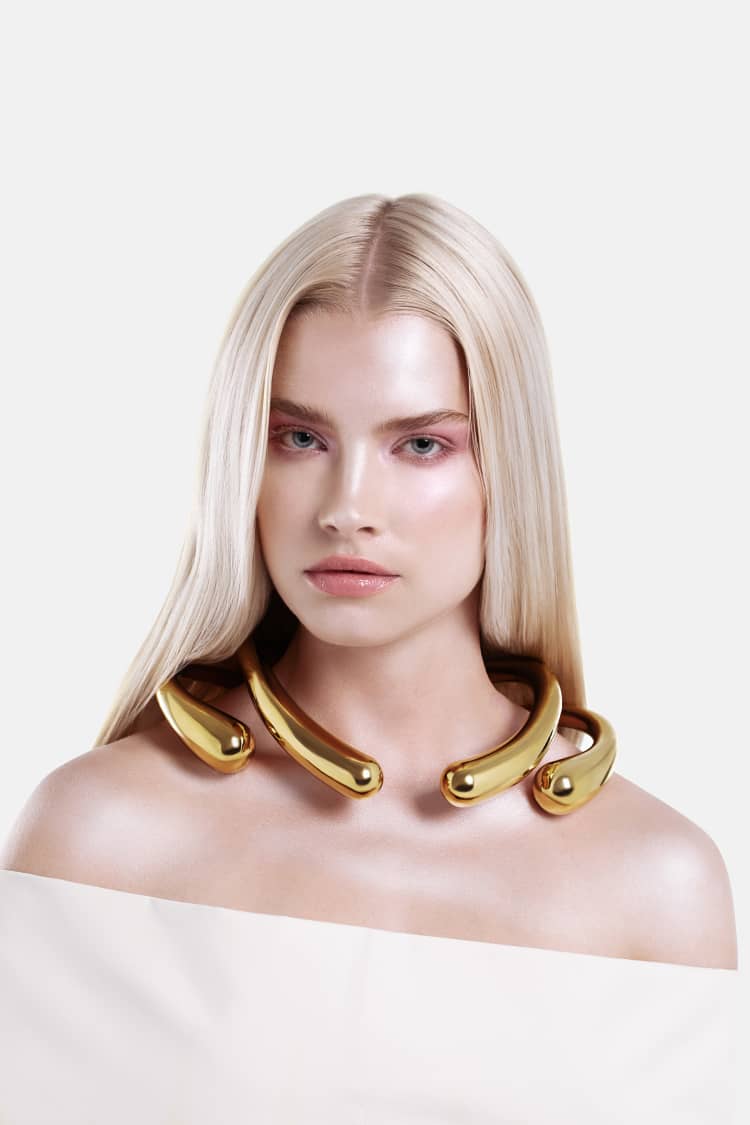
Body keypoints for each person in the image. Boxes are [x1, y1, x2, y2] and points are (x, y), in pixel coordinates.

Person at [0, 193, 739, 1122]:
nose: (347, 506)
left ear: (507, 468)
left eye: (420, 443)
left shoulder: (660, 885)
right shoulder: (102, 836)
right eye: (300, 438)